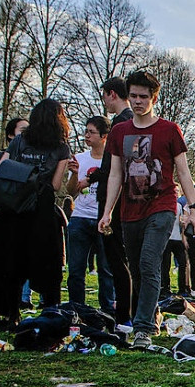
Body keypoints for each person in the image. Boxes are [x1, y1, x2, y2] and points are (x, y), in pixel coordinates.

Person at [100, 71, 195, 347]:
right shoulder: (119, 132)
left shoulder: (169, 130)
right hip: (130, 210)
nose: (137, 101)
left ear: (154, 98)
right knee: (136, 268)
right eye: (133, 96)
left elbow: (183, 171)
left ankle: (143, 329)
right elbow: (115, 175)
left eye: (143, 97)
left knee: (148, 262)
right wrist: (107, 210)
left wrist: (193, 207)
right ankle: (152, 312)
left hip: (162, 205)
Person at [0, 98, 72, 332]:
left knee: (11, 262)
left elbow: (1, 168)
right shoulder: (61, 147)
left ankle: (12, 314)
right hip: (40, 208)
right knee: (47, 261)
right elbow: (55, 183)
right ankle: (50, 311)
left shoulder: (20, 141)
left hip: (13, 207)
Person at [66, 115, 115, 312]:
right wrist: (76, 173)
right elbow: (71, 191)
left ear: (104, 136)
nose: (87, 135)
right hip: (80, 218)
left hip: (102, 219)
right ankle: (77, 309)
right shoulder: (79, 158)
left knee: (106, 268)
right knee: (76, 269)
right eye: (85, 131)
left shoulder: (112, 160)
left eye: (91, 132)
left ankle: (108, 310)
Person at [98, 77, 135, 328]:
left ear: (112, 94)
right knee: (122, 260)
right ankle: (125, 311)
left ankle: (125, 313)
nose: (104, 102)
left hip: (118, 201)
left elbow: (116, 168)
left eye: (104, 96)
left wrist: (95, 176)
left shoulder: (123, 124)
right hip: (124, 199)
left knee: (119, 260)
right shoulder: (128, 122)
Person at [162, 186, 190, 298]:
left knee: (183, 263)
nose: (176, 194)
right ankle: (165, 288)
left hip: (177, 238)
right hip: (167, 238)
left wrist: (183, 226)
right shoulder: (164, 205)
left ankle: (182, 288)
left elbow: (182, 223)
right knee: (166, 265)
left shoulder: (179, 206)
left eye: (178, 192)